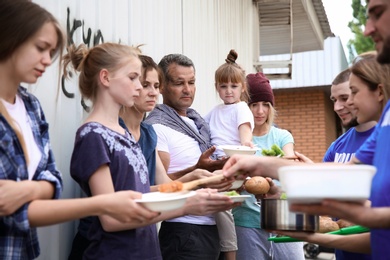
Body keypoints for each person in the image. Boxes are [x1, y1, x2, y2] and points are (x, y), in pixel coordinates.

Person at [0, 1, 170, 259]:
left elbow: (52, 179)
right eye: (41, 48)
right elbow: (10, 204)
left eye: (51, 51)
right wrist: (186, 204)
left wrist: (30, 190)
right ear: (10, 40)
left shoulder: (31, 106)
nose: (47, 60)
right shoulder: (94, 134)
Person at [222, 50, 390, 259]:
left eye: (351, 94)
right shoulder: (372, 134)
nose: (341, 106)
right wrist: (309, 233)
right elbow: (343, 179)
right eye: (335, 99)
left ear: (380, 92)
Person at [145, 54, 230, 259]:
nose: (187, 89)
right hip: (183, 230)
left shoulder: (198, 122)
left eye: (191, 82)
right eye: (179, 83)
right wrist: (196, 170)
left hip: (211, 226)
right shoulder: (156, 126)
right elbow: (157, 187)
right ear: (161, 86)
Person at [231, 72, 304, 260]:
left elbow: (290, 163)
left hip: (284, 218)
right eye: (254, 105)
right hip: (247, 221)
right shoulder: (237, 140)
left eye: (266, 105)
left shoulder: (282, 136)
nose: (260, 111)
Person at [203, 49, 255, 260]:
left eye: (234, 86)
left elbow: (245, 138)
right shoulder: (214, 111)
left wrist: (246, 146)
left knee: (221, 205)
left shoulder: (241, 108)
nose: (228, 91)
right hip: (215, 164)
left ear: (242, 88)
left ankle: (230, 252)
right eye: (223, 86)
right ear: (217, 88)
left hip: (233, 164)